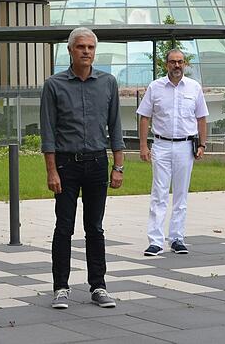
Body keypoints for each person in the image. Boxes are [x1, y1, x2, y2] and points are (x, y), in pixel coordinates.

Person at [40, 27, 125, 310]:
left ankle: (98, 286)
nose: (86, 52)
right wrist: (51, 171)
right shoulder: (54, 85)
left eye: (90, 47)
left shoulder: (108, 82)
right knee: (64, 227)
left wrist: (119, 166)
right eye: (81, 47)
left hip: (98, 163)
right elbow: (48, 132)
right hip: (66, 164)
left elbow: (115, 127)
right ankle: (61, 287)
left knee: (95, 228)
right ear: (70, 50)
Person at [137, 49, 208, 256]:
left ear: (184, 64)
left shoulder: (194, 88)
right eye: (172, 62)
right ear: (166, 64)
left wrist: (202, 145)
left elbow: (201, 118)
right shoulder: (155, 87)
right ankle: (156, 241)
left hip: (186, 147)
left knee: (181, 194)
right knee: (159, 193)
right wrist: (143, 145)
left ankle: (177, 238)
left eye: (180, 62)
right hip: (161, 145)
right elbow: (144, 117)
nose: (177, 66)